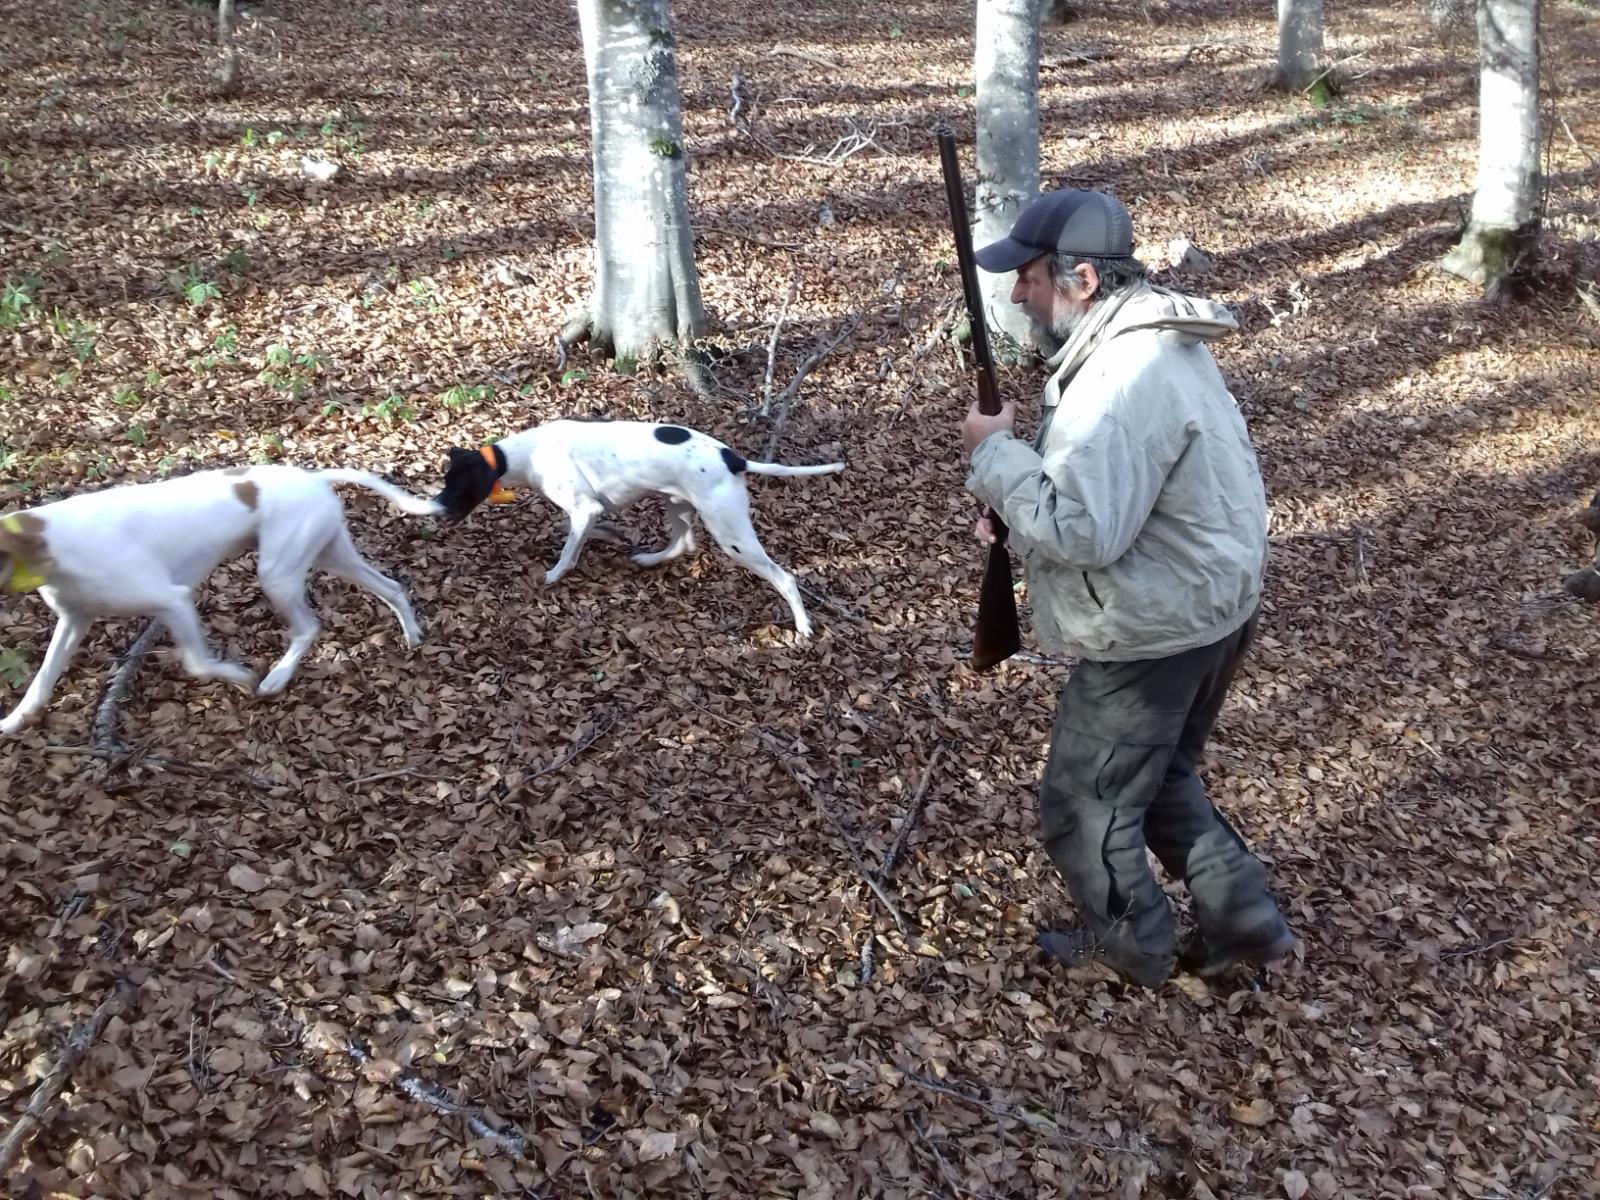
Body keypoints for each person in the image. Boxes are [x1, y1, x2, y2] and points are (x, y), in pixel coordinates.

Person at [958, 187, 1296, 988]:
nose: (1017, 294)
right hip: (1207, 609)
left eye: (1029, 278)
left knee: (1085, 801)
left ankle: (1129, 947)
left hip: (1153, 631)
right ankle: (1245, 922)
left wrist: (995, 454)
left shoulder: (1119, 378)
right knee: (1162, 775)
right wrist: (1018, 512)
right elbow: (1122, 497)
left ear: (1080, 279)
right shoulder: (1155, 342)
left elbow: (1083, 531)